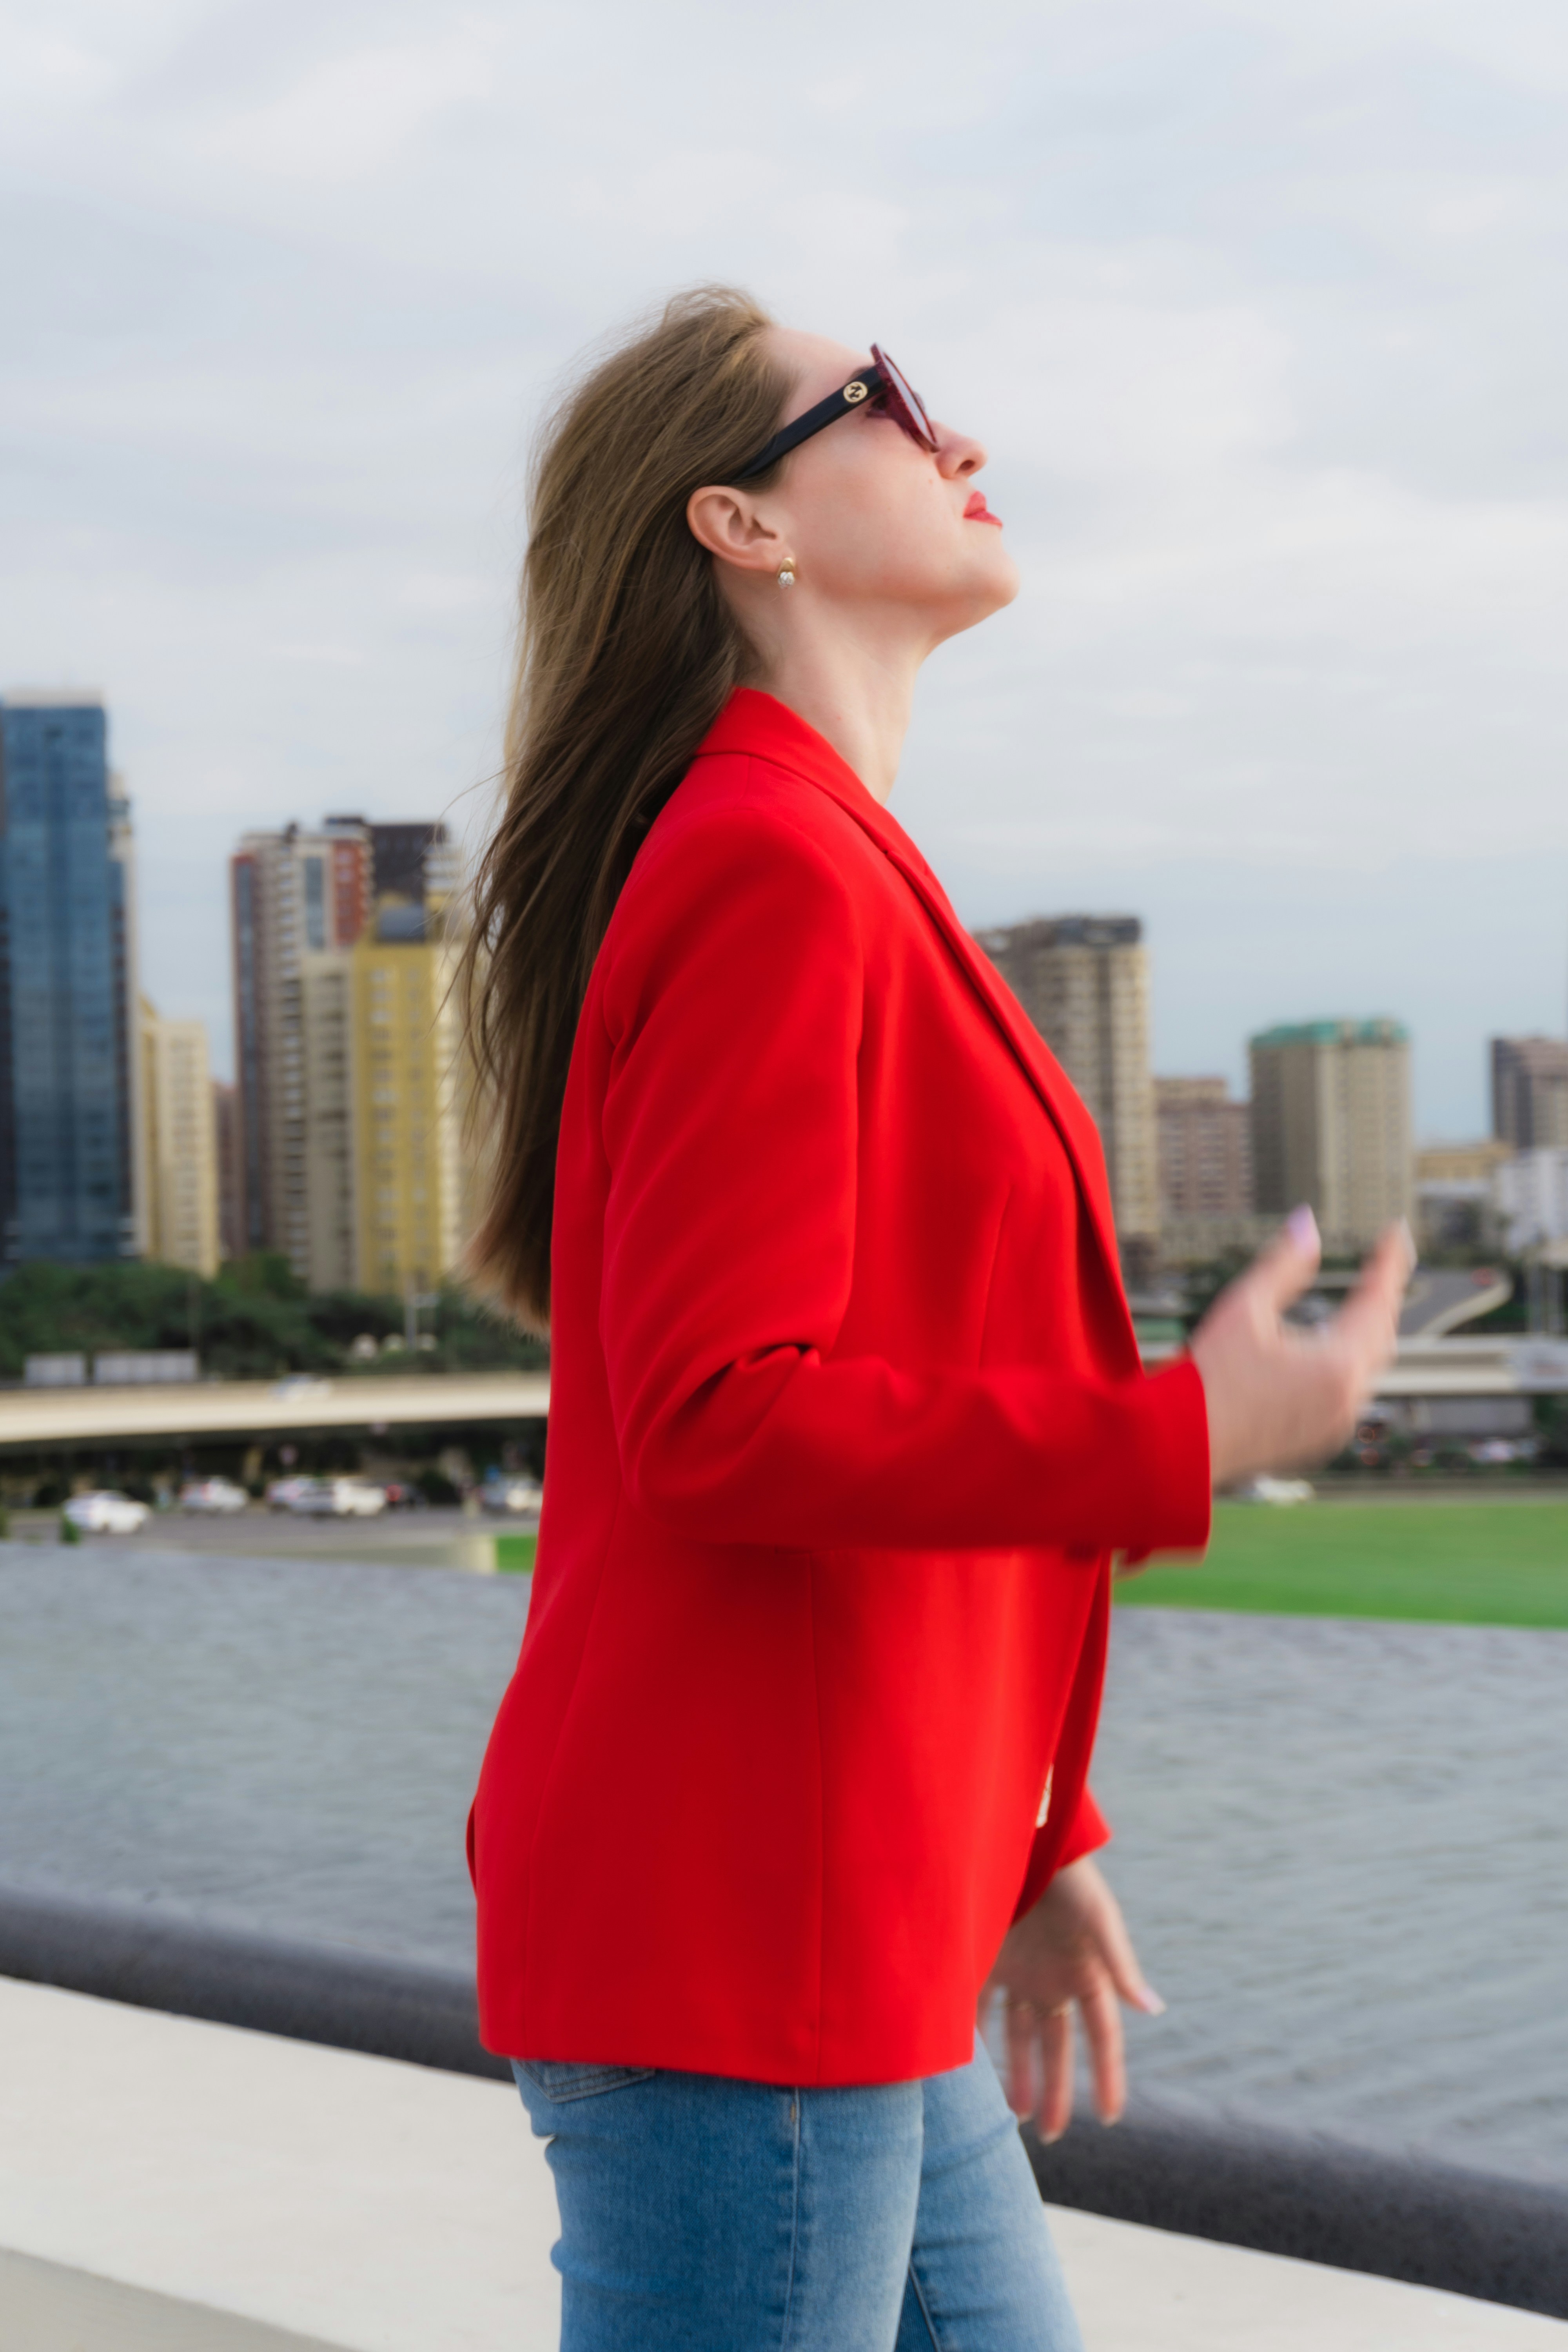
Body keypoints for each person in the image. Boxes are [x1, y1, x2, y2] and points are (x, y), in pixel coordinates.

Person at [461, 287, 1411, 2352]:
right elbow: (727, 1420)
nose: (959, 434)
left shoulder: (830, 859)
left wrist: (1033, 1835)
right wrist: (1193, 1434)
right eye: (889, 398)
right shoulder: (770, 869)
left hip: (864, 1927)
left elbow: (919, 1393)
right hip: (747, 1941)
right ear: (745, 525)